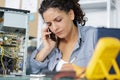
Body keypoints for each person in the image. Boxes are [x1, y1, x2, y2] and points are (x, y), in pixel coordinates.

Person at [30, 0, 96, 78]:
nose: (54, 28)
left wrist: (82, 71)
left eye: (58, 20)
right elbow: (35, 72)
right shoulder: (50, 41)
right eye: (49, 24)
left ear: (71, 14)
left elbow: (111, 72)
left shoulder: (93, 36)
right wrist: (46, 49)